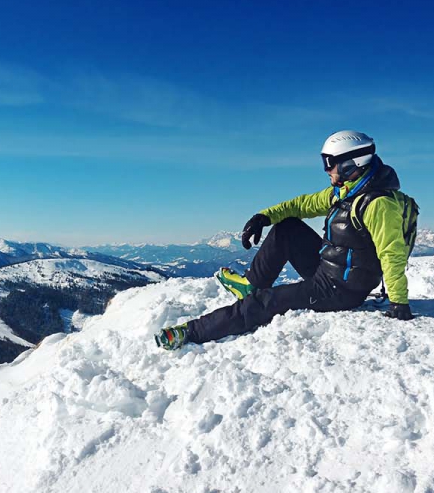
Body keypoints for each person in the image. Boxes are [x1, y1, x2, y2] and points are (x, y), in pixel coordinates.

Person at [156, 130, 419, 350]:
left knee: (266, 301)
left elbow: (391, 253)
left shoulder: (378, 204)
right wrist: (264, 217)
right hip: (328, 269)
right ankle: (252, 283)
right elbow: (302, 204)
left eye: (330, 162)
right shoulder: (345, 193)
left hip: (341, 290)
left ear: (353, 162)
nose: (326, 169)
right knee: (287, 227)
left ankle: (191, 332)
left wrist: (399, 302)